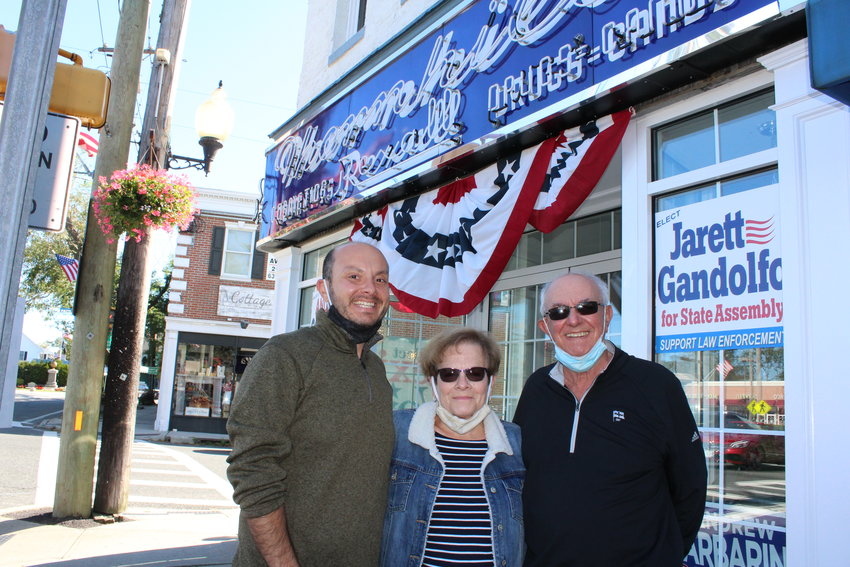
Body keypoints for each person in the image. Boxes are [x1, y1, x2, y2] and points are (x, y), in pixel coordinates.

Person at [513, 271, 707, 566]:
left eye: (586, 307)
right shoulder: (537, 388)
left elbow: (690, 486)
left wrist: (664, 555)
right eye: (559, 312)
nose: (573, 320)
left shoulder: (655, 384)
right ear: (545, 326)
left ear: (607, 316)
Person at [226, 241, 394, 567]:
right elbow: (252, 470)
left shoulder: (376, 369)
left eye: (380, 279)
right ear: (323, 288)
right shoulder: (285, 356)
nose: (370, 289)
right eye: (354, 276)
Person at [381, 328, 525, 567]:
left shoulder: (515, 442)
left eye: (475, 373)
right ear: (433, 381)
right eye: (449, 374)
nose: (462, 384)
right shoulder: (398, 432)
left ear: (491, 381)